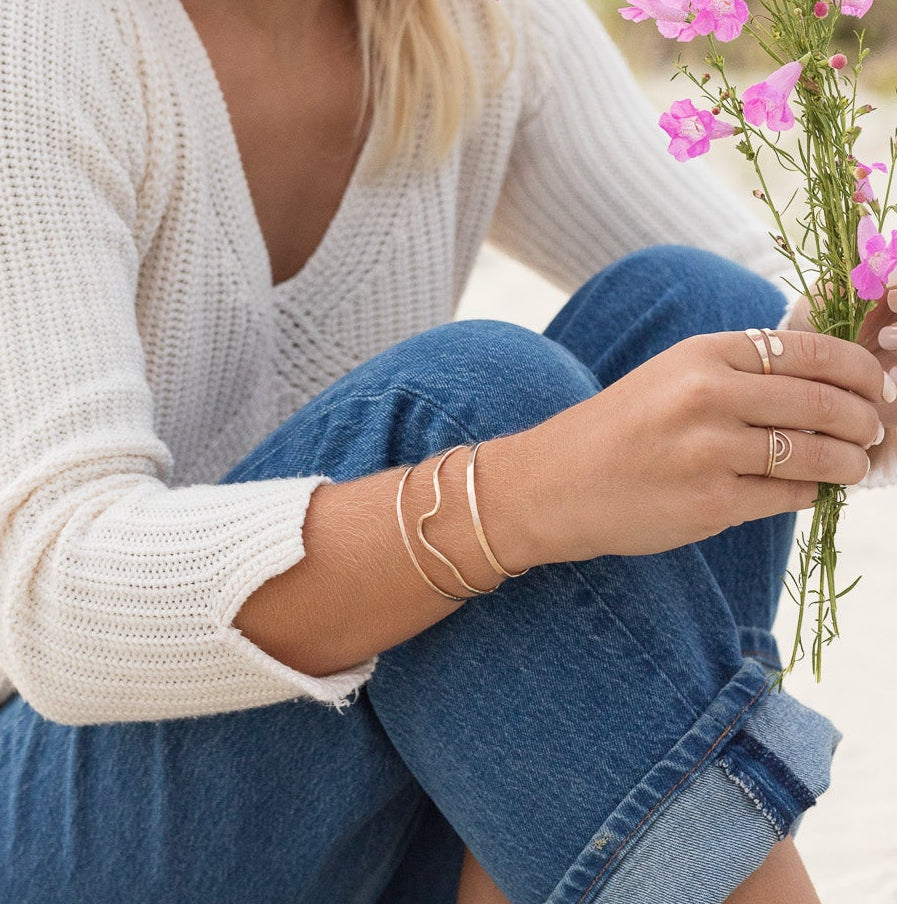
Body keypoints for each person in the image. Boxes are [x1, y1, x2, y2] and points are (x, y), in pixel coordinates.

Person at [0, 0, 894, 902]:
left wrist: (858, 369)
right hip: (65, 811)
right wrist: (516, 498)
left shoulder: (480, 22)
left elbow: (768, 307)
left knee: (710, 317)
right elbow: (51, 601)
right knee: (472, 402)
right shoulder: (45, 35)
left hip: (376, 802)